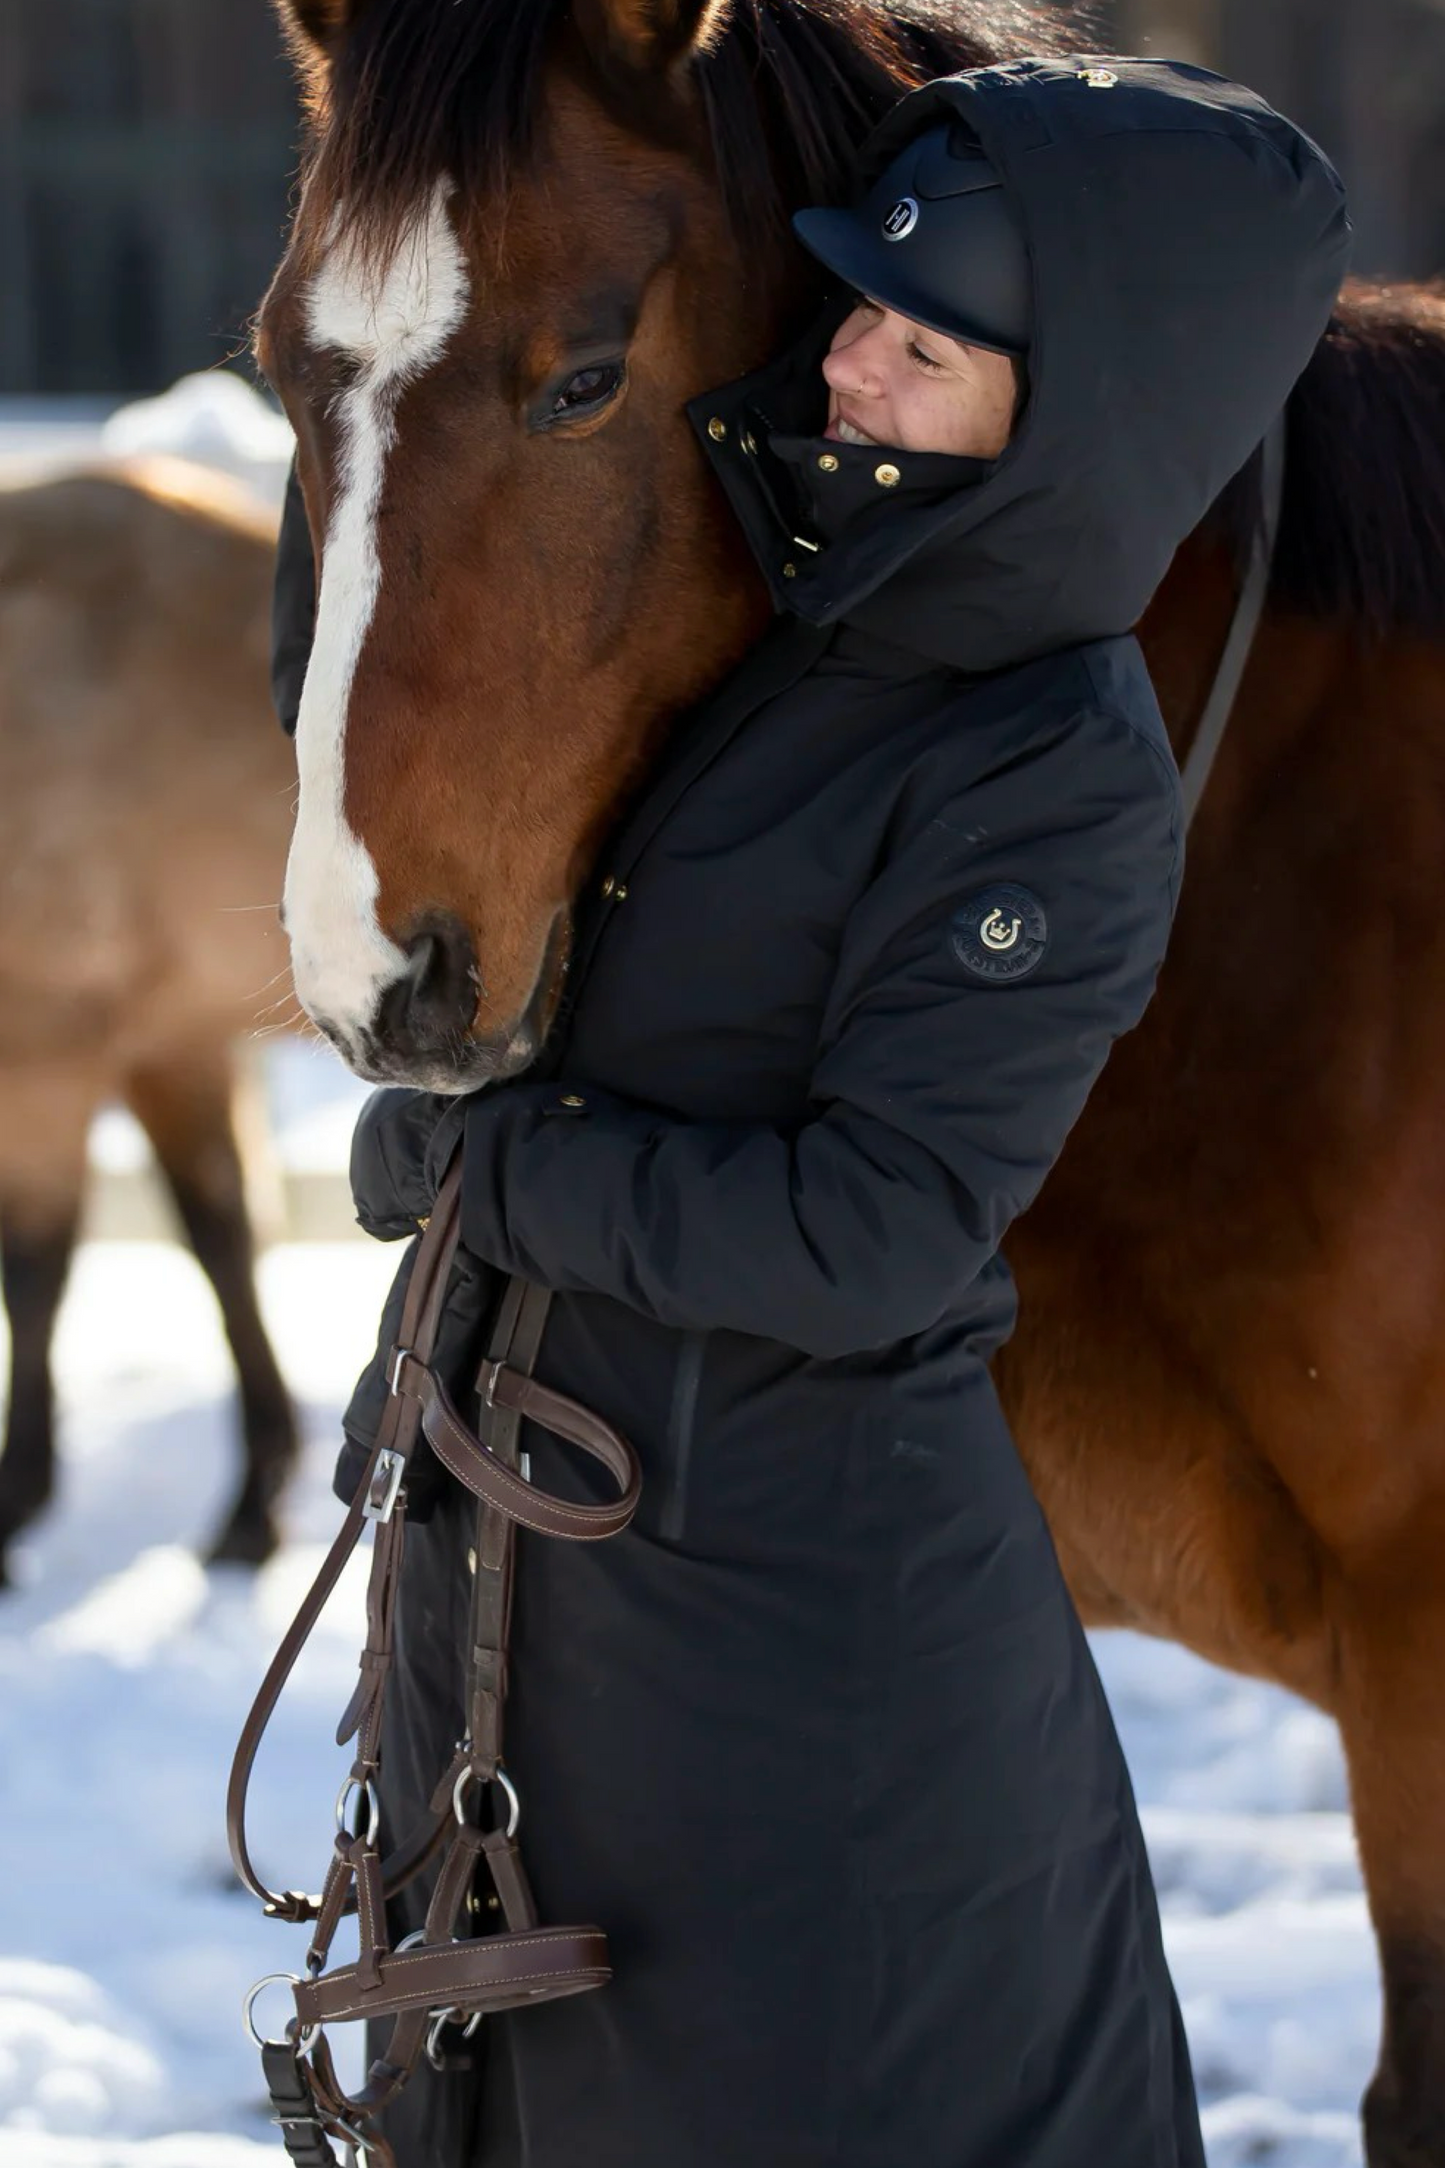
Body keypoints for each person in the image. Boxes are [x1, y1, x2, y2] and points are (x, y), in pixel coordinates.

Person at [271, 54, 1349, 2168]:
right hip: (578, 1632)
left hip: (807, 1702)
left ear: (1071, 409)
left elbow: (870, 1238)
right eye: (857, 297)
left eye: (921, 342)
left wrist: (497, 1167)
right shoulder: (791, 625)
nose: (840, 353)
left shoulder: (1043, 762)